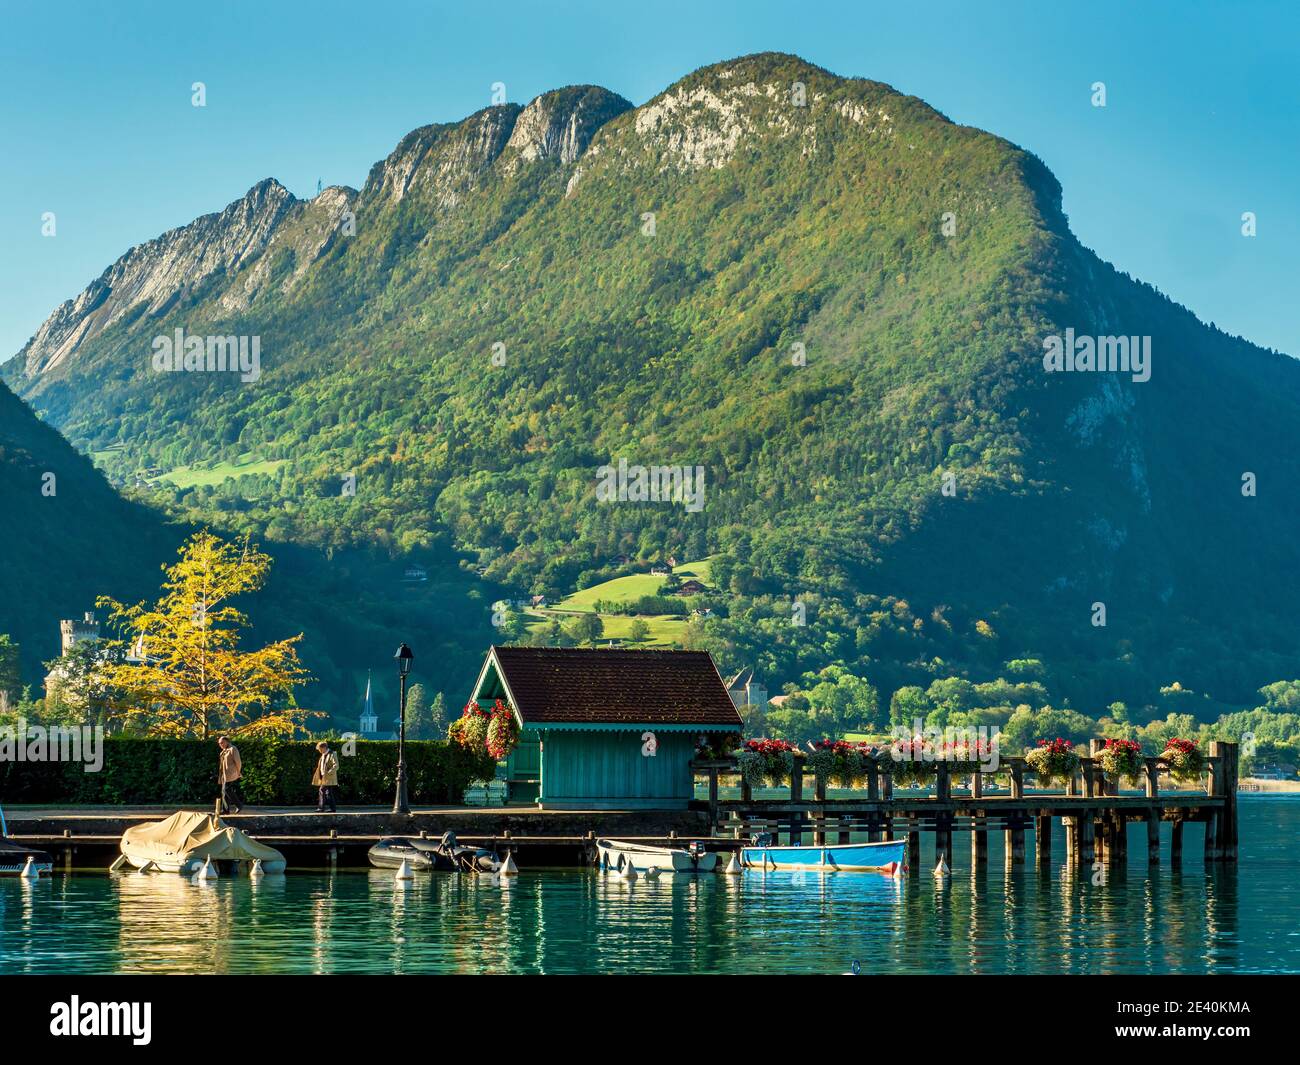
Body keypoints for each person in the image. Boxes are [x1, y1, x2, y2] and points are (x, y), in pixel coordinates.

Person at [217, 736, 245, 814]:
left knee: (226, 789)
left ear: (227, 742)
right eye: (219, 743)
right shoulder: (223, 751)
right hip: (224, 775)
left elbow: (238, 762)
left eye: (222, 743)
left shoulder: (233, 749)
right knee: (224, 792)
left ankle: (239, 805)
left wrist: (238, 772)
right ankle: (226, 810)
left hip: (231, 774)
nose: (220, 744)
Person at [312, 741, 339, 813]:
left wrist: (329, 773)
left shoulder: (332, 754)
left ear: (324, 748)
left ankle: (321, 808)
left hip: (328, 777)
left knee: (322, 790)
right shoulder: (323, 755)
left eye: (320, 749)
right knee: (328, 792)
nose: (319, 751)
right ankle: (332, 808)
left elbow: (336, 765)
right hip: (323, 777)